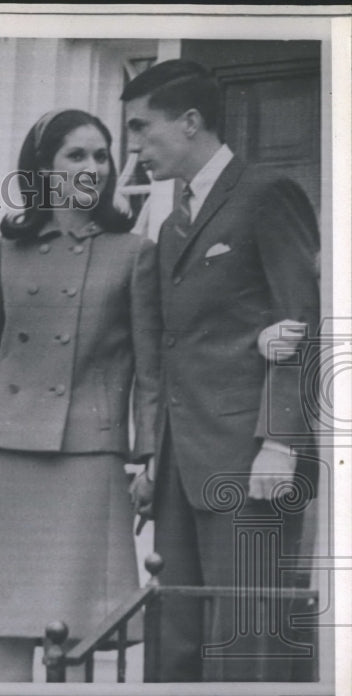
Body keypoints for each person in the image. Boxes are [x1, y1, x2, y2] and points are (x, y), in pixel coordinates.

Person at [0, 109, 161, 682]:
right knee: (6, 624)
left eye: (101, 156)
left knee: (80, 633)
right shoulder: (8, 249)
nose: (92, 167)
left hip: (87, 456)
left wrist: (149, 459)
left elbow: (150, 372)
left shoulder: (134, 252)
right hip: (2, 452)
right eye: (75, 155)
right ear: (43, 167)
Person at [121, 59, 320, 681]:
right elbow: (172, 348)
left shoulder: (265, 194)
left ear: (189, 122)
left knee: (245, 641)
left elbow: (302, 324)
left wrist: (280, 443)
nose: (133, 146)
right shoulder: (172, 222)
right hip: (182, 463)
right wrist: (153, 456)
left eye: (140, 128)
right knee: (176, 640)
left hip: (248, 461)